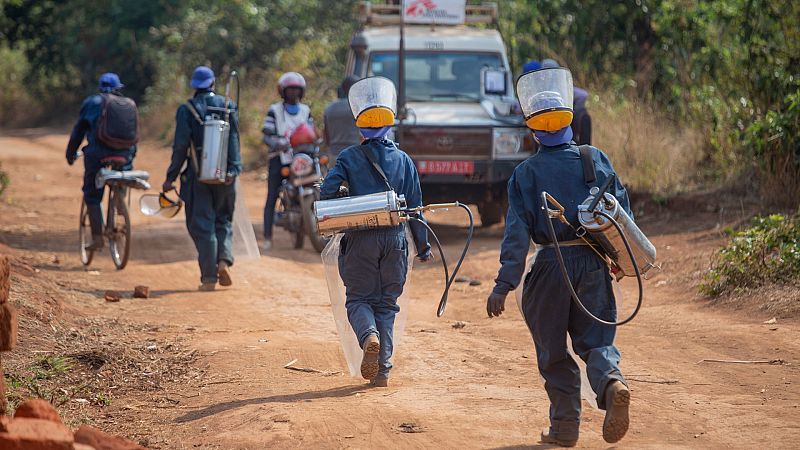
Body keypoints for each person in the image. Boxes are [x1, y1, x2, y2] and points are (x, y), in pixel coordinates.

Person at [487, 67, 631, 446]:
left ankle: (565, 429)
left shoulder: (525, 173)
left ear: (533, 127)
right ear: (569, 119)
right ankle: (611, 382)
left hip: (551, 266)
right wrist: (618, 258)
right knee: (596, 340)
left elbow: (517, 234)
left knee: (553, 352)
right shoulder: (594, 158)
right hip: (592, 262)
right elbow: (622, 214)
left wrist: (504, 285)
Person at [320, 76, 432, 388]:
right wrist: (422, 248)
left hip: (360, 240)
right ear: (389, 124)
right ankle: (382, 372)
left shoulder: (348, 158)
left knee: (358, 299)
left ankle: (368, 335)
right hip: (396, 241)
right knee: (387, 305)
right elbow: (416, 208)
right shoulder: (405, 161)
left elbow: (327, 195)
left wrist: (342, 200)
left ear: (360, 126)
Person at [162, 66, 242, 291]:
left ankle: (209, 277)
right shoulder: (228, 105)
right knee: (223, 220)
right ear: (213, 83)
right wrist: (234, 170)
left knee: (202, 225)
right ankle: (224, 260)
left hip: (199, 178)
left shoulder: (187, 109)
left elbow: (180, 147)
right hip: (226, 175)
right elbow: (235, 140)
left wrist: (171, 177)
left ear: (194, 86)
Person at [66, 73, 137, 250]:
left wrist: (70, 153)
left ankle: (97, 237)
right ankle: (120, 206)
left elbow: (78, 132)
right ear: (118, 88)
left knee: (92, 193)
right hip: (124, 155)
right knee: (123, 177)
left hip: (98, 155)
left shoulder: (92, 102)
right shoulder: (127, 104)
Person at [261, 72, 314, 251]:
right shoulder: (274, 110)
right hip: (280, 159)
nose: (293, 93)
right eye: (289, 89)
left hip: (302, 158)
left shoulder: (306, 110)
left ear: (302, 91)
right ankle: (267, 237)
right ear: (282, 91)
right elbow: (266, 134)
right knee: (272, 195)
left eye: (296, 90)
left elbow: (311, 132)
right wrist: (278, 143)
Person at [541, 58, 592, 145]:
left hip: (564, 118)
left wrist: (573, 107)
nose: (548, 74)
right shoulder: (540, 88)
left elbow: (583, 95)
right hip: (546, 121)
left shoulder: (562, 86)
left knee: (583, 116)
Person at [323, 75, 362, 162]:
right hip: (355, 156)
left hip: (334, 156)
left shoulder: (329, 108)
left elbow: (326, 137)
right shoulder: (358, 108)